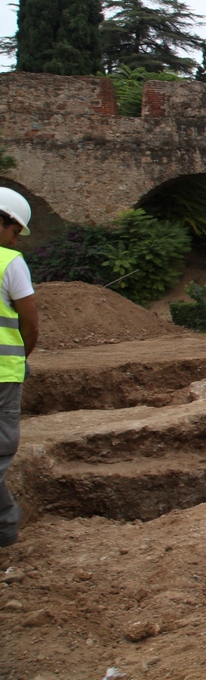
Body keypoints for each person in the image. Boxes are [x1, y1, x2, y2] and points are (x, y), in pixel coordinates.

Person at [0, 188, 37, 548]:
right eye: (14, 232)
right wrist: (19, 356)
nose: (16, 241)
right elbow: (30, 322)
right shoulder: (9, 262)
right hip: (3, 374)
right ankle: (6, 530)